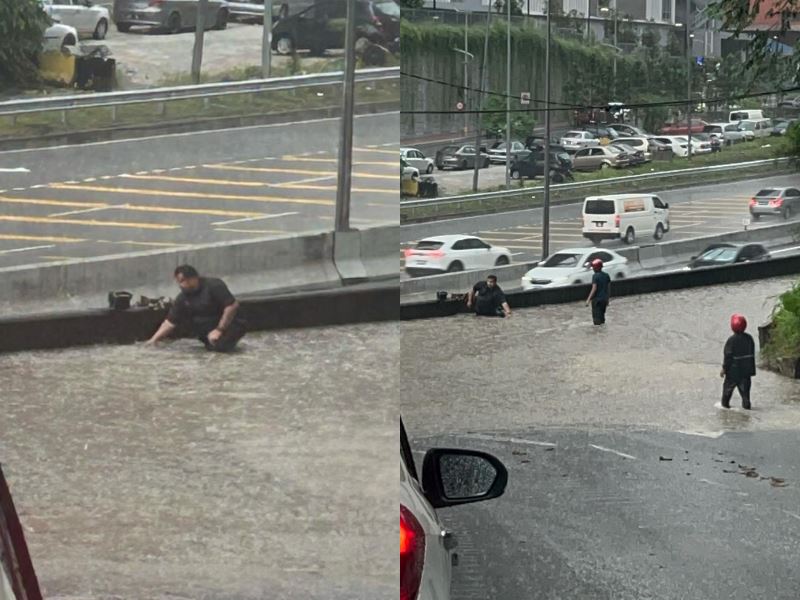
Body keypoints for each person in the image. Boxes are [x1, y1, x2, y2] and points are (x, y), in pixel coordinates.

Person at [147, 265, 247, 352]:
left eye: (182, 281)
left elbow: (232, 306)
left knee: (220, 348)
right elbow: (170, 322)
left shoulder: (214, 286)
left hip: (231, 323)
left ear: (193, 279)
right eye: (179, 282)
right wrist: (153, 340)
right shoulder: (183, 297)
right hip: (207, 326)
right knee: (210, 347)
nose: (180, 285)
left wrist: (219, 329)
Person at [720, 314, 756, 410]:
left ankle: (725, 407)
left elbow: (728, 356)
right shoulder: (749, 339)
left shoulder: (731, 340)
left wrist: (724, 369)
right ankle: (747, 408)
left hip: (733, 372)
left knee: (727, 392)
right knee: (745, 394)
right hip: (745, 372)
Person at [585, 258, 611, 325]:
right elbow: (608, 289)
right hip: (604, 300)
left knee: (597, 322)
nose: (593, 269)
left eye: (593, 267)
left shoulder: (595, 276)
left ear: (596, 268)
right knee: (602, 319)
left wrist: (588, 299)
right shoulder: (606, 275)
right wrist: (607, 300)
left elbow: (594, 288)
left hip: (597, 301)